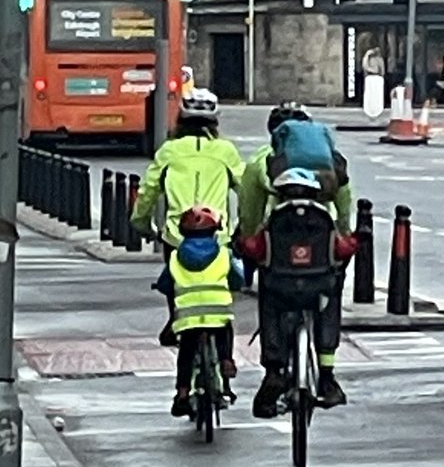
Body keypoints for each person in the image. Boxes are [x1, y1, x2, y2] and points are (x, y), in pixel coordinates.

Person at [238, 104, 352, 417]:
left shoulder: (262, 162)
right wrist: (342, 237)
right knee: (330, 297)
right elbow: (345, 202)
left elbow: (249, 211)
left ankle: (274, 369)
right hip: (320, 250)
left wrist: (248, 240)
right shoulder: (330, 162)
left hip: (280, 256)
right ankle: (327, 377)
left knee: (271, 301)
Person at [131, 91, 245, 344]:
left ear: (180, 118)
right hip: (217, 235)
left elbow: (148, 191)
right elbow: (245, 189)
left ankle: (175, 322)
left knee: (175, 283)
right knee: (222, 290)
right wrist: (243, 226)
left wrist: (140, 222)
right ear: (215, 121)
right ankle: (224, 358)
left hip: (177, 235)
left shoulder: (169, 151)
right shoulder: (225, 151)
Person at [154, 206, 244, 418]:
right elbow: (238, 279)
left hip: (188, 317)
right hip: (218, 311)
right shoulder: (223, 255)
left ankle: (183, 394)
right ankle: (225, 360)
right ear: (214, 231)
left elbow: (165, 283)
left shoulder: (176, 257)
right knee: (225, 329)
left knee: (186, 352)